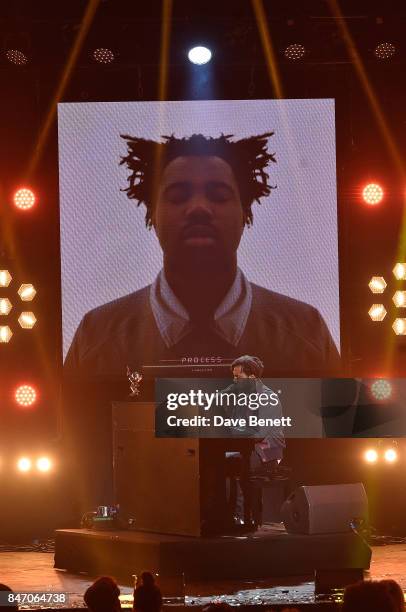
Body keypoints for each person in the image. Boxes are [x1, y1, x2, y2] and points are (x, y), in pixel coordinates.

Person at [64, 132, 340, 379]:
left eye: (218, 195)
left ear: (245, 214)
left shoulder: (307, 330)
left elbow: (343, 433)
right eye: (178, 196)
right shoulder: (97, 333)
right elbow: (66, 435)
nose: (198, 208)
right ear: (152, 215)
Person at [224, 355, 285, 529]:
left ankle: (242, 518)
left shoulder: (267, 397)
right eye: (233, 377)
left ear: (252, 378)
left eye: (238, 377)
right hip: (246, 447)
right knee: (213, 461)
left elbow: (260, 433)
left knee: (236, 463)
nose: (234, 381)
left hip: (268, 450)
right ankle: (222, 516)